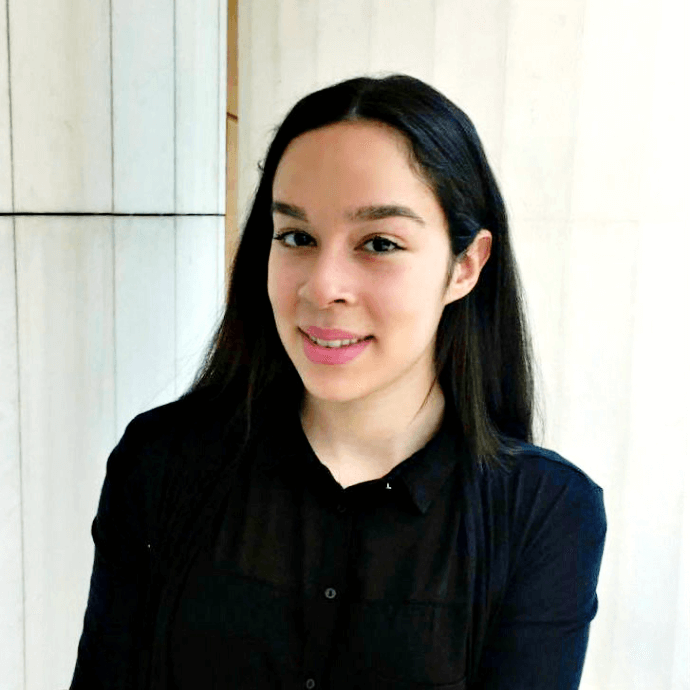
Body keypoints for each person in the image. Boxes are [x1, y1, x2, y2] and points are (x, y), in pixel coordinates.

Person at [70, 74, 606, 690]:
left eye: (379, 243)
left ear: (465, 266)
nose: (322, 286)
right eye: (296, 237)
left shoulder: (544, 512)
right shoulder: (161, 463)